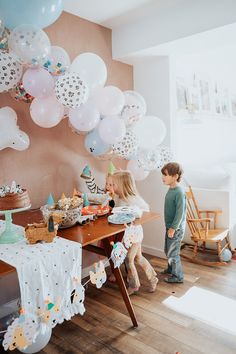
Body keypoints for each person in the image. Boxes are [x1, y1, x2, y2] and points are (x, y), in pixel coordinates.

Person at [112, 170, 158, 295]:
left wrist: (134, 219)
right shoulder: (118, 197)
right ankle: (153, 278)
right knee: (138, 257)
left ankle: (134, 285)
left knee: (128, 259)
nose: (111, 187)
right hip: (127, 236)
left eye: (113, 184)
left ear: (122, 185)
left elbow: (146, 210)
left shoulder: (134, 199)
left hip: (135, 235)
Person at [161, 162, 186, 283]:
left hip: (175, 229)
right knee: (168, 250)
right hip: (169, 226)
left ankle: (178, 276)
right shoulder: (171, 189)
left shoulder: (179, 192)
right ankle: (171, 269)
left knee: (173, 252)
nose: (163, 177)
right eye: (163, 175)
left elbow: (180, 213)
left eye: (165, 175)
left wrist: (173, 228)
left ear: (175, 176)